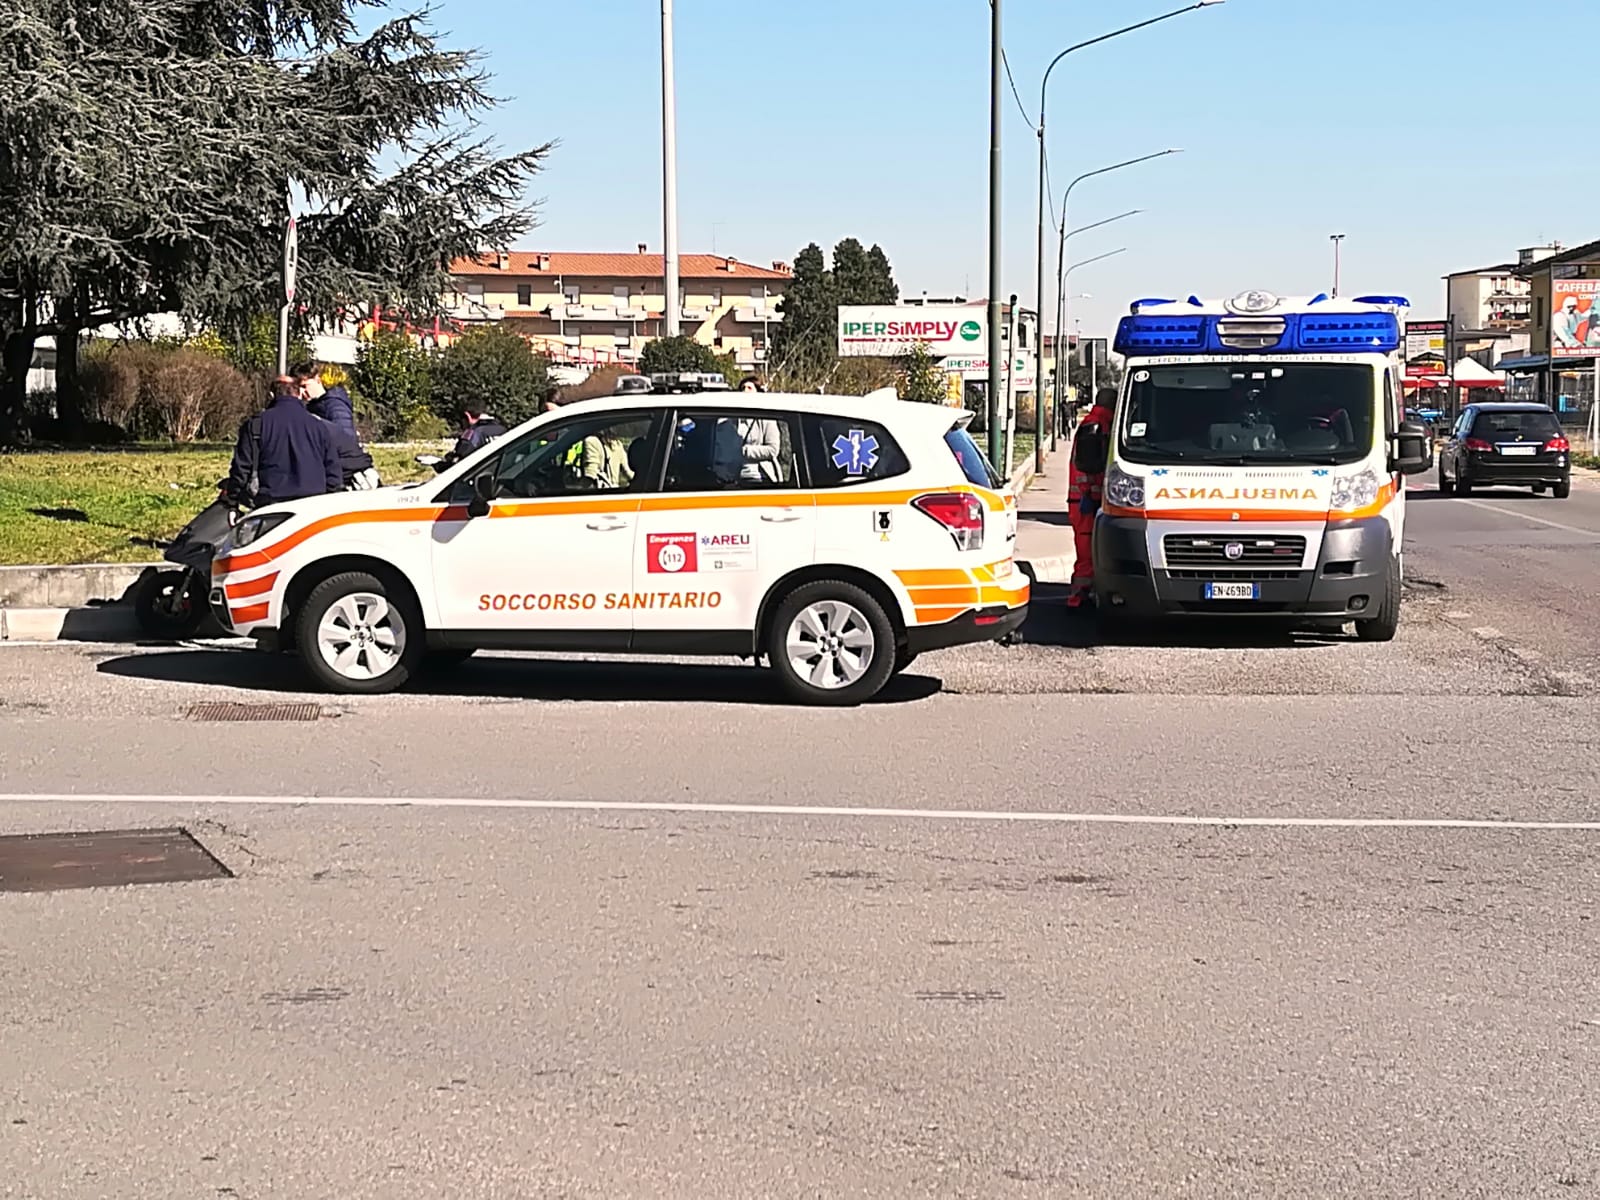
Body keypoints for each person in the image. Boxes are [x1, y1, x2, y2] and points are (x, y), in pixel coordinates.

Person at [224, 376, 342, 507]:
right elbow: (333, 471)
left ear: (271, 395)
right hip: (312, 504)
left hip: (272, 504)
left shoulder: (256, 424)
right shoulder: (318, 426)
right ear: (299, 394)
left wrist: (232, 501)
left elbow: (241, 468)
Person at [1065, 386, 1116, 609]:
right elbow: (1091, 466)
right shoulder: (1097, 426)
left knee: (1089, 553)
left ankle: (1085, 593)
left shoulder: (1093, 423)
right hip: (1086, 501)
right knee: (1087, 555)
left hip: (1086, 500)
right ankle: (1078, 598)